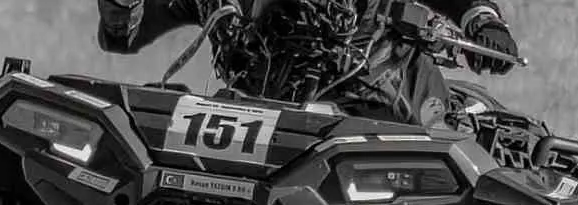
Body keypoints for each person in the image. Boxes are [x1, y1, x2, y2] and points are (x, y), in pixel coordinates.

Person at [94, 0, 519, 128]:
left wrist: (483, 20)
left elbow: (465, 4)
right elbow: (127, 33)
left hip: (390, 116)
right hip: (268, 132)